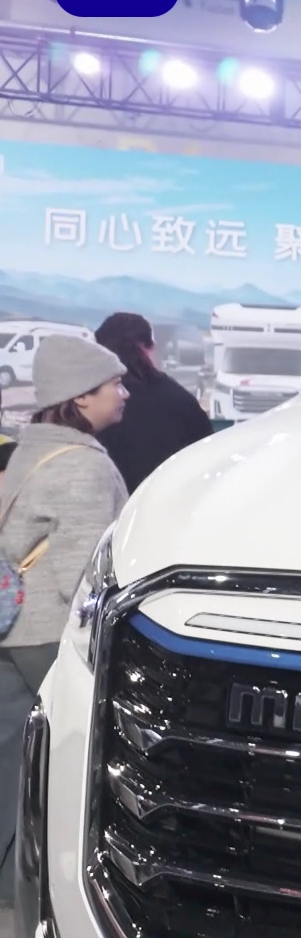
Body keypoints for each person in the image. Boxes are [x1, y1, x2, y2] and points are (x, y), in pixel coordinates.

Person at [0, 334, 130, 906]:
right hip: (51, 635)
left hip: (13, 630)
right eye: (114, 385)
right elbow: (80, 578)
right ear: (81, 397)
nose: (124, 394)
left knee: (10, 765)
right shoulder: (84, 467)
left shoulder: (31, 449)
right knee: (66, 770)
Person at [93, 312, 213, 493]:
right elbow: (207, 455)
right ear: (147, 348)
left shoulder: (89, 401)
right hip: (171, 500)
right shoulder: (179, 399)